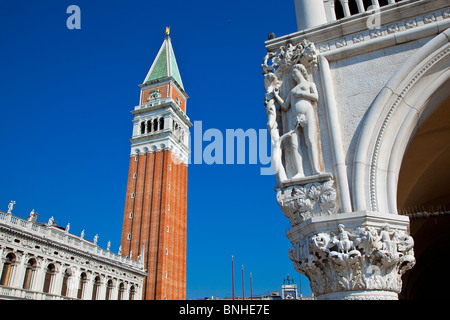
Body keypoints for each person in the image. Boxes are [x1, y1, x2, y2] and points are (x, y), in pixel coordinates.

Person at [274, 64, 321, 178]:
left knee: (310, 140)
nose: (293, 76)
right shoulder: (292, 91)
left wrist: (302, 94)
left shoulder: (309, 84)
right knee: (295, 144)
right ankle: (300, 171)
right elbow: (285, 106)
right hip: (293, 117)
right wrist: (276, 95)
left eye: (295, 73)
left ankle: (315, 169)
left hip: (307, 113)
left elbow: (316, 97)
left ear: (301, 71)